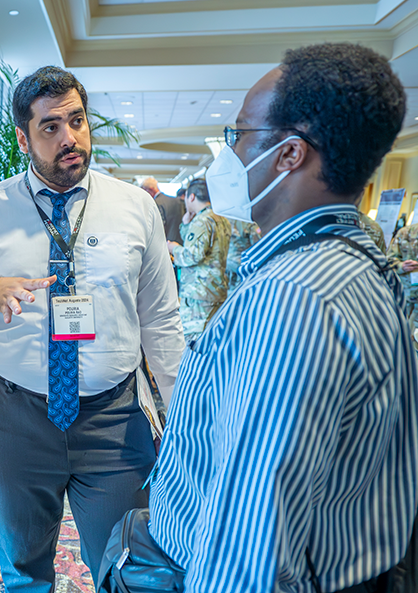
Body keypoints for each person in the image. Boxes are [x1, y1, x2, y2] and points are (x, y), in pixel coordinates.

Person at [146, 42, 417, 593]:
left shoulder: (294, 299)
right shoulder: (350, 264)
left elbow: (251, 554)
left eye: (239, 135)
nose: (229, 155)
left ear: (290, 155)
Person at [0, 66, 184, 592]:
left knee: (125, 565)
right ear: (23, 138)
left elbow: (160, 319)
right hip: (14, 417)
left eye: (77, 121)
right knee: (24, 567)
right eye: (50, 127)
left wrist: (181, 409)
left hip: (113, 420)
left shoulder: (136, 208)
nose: (69, 138)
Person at [167, 178, 230, 341]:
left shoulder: (202, 220)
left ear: (192, 197)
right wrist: (187, 225)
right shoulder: (220, 218)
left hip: (199, 294)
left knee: (195, 343)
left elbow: (192, 255)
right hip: (215, 288)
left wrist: (173, 248)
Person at [388, 222, 418, 347]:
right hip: (406, 296)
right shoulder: (405, 233)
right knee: (401, 337)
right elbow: (388, 260)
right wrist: (401, 266)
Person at [141, 176, 185, 242]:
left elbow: (159, 228)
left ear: (150, 189)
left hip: (166, 244)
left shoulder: (155, 203)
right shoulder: (177, 201)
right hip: (181, 242)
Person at [225, 218, 260, 293]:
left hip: (224, 265)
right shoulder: (248, 222)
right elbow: (258, 245)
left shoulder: (221, 219)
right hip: (242, 267)